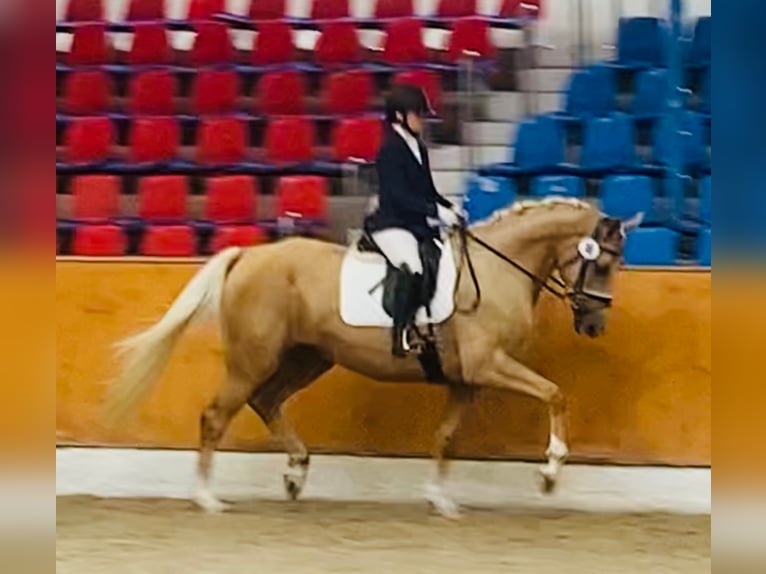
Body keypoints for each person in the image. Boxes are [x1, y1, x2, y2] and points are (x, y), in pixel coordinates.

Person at [364, 83, 465, 358]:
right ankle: (401, 334)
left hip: (415, 222)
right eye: (417, 114)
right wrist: (434, 212)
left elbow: (427, 191)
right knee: (414, 267)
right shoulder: (389, 150)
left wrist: (448, 206)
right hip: (392, 223)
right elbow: (397, 196)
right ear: (399, 116)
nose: (422, 119)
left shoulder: (418, 146)